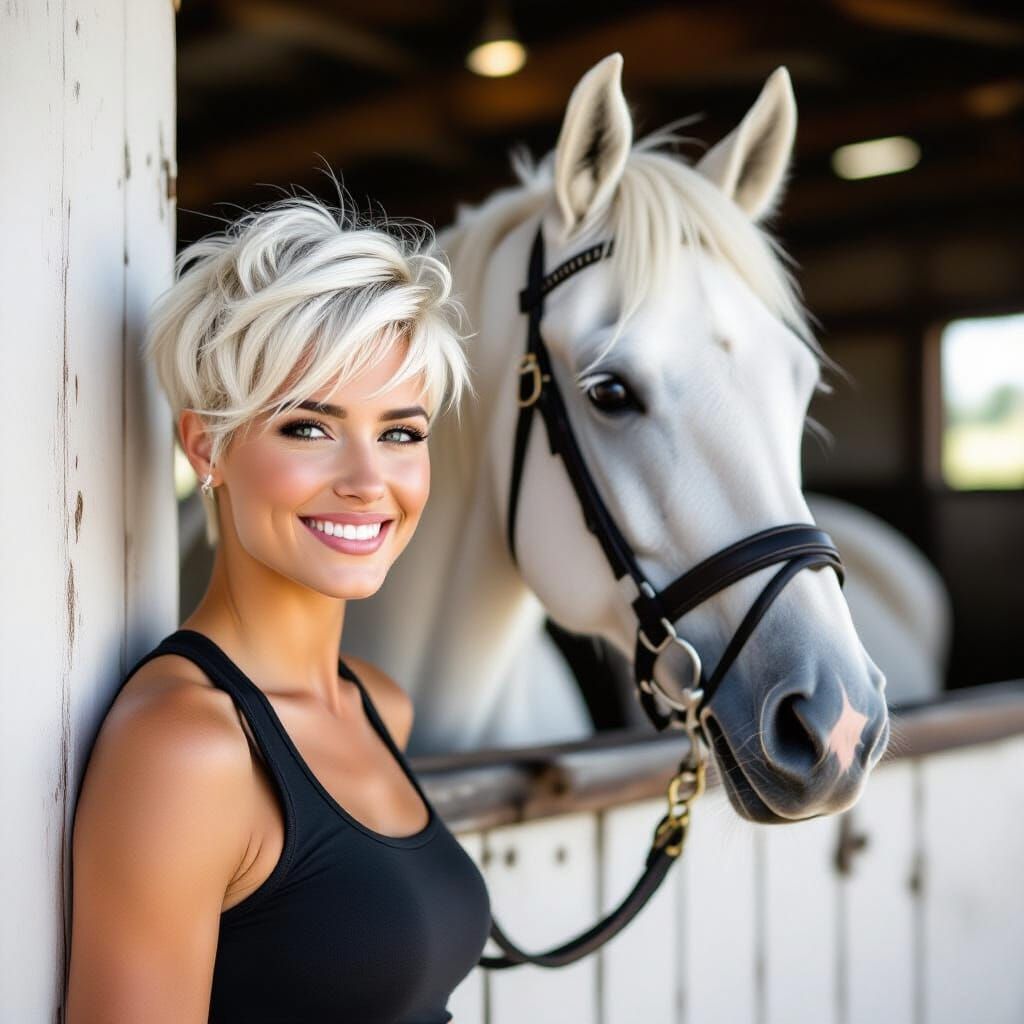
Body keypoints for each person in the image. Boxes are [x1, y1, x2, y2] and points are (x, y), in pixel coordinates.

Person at [65, 190, 490, 1023]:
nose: (370, 480)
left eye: (401, 432)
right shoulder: (186, 751)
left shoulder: (377, 704)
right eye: (309, 427)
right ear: (206, 446)